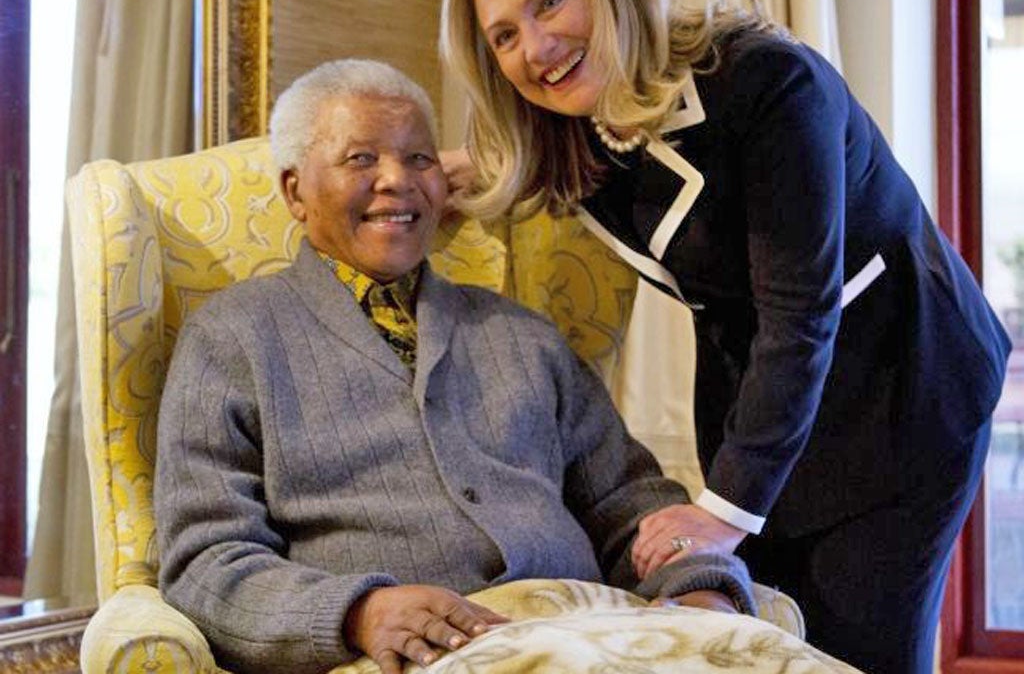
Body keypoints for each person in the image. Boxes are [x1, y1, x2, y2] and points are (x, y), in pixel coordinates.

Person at [438, 0, 1013, 673]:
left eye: (549, 4)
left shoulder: (769, 83)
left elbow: (800, 310)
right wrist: (426, 172)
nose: (536, 47)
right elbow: (525, 170)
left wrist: (724, 510)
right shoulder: (574, 124)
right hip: (768, 401)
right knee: (767, 642)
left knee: (859, 650)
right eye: (503, 35)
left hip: (902, 383)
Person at [153, 58, 759, 674]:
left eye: (419, 158)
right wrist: (359, 612)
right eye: (361, 159)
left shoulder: (523, 334)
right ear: (295, 192)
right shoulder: (233, 338)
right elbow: (205, 562)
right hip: (416, 657)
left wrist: (697, 582)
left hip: (595, 630)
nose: (398, 180)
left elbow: (630, 502)